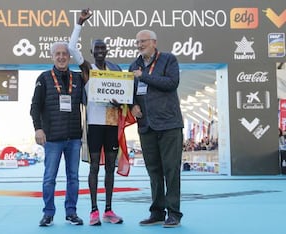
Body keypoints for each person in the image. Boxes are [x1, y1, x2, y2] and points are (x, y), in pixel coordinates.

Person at [68, 9, 131, 226]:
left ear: (107, 50)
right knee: (94, 166)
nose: (101, 51)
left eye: (104, 48)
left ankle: (109, 210)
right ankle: (94, 211)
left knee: (110, 167)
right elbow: (70, 48)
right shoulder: (88, 68)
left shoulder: (115, 69)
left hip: (112, 124)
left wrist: (121, 102)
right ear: (92, 51)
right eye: (97, 48)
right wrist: (79, 23)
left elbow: (124, 94)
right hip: (94, 124)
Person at [129, 29, 184, 228]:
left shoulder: (169, 60)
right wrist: (131, 105)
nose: (140, 45)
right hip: (146, 126)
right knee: (153, 171)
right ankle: (157, 212)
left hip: (169, 124)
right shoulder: (133, 65)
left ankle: (174, 213)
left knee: (171, 170)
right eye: (137, 42)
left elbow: (171, 83)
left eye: (143, 41)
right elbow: (129, 92)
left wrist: (144, 76)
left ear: (154, 42)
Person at [30, 41, 85, 227]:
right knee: (49, 178)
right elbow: (35, 107)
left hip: (74, 138)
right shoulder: (44, 78)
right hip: (52, 138)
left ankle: (71, 213)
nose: (61, 57)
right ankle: (48, 213)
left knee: (74, 178)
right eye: (57, 54)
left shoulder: (78, 78)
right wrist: (38, 128)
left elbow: (94, 93)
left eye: (64, 53)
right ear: (52, 57)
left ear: (69, 57)